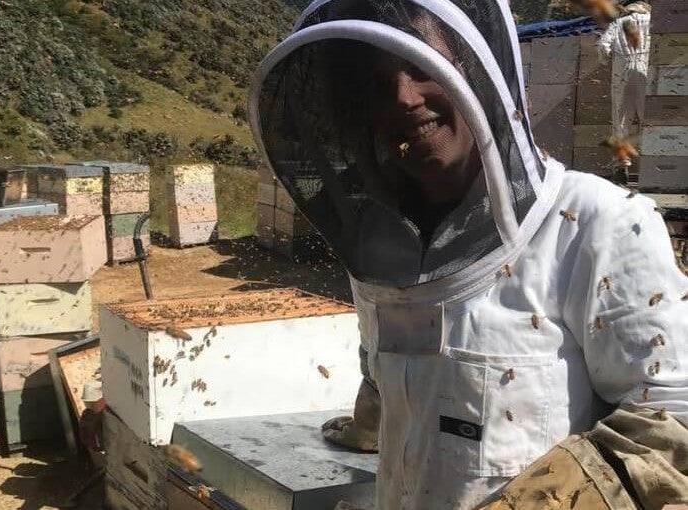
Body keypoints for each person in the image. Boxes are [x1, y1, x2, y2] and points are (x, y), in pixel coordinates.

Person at [249, 1, 688, 509]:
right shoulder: (384, 244)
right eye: (375, 84)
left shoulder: (599, 222)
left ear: (480, 71)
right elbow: (394, 373)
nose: (403, 98)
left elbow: (672, 423)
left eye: (422, 66)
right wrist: (372, 421)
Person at [598, 1, 652, 158]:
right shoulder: (652, 21)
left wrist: (604, 60)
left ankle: (622, 165)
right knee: (648, 118)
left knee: (621, 120)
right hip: (647, 71)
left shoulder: (619, 23)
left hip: (622, 72)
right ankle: (649, 162)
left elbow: (603, 46)